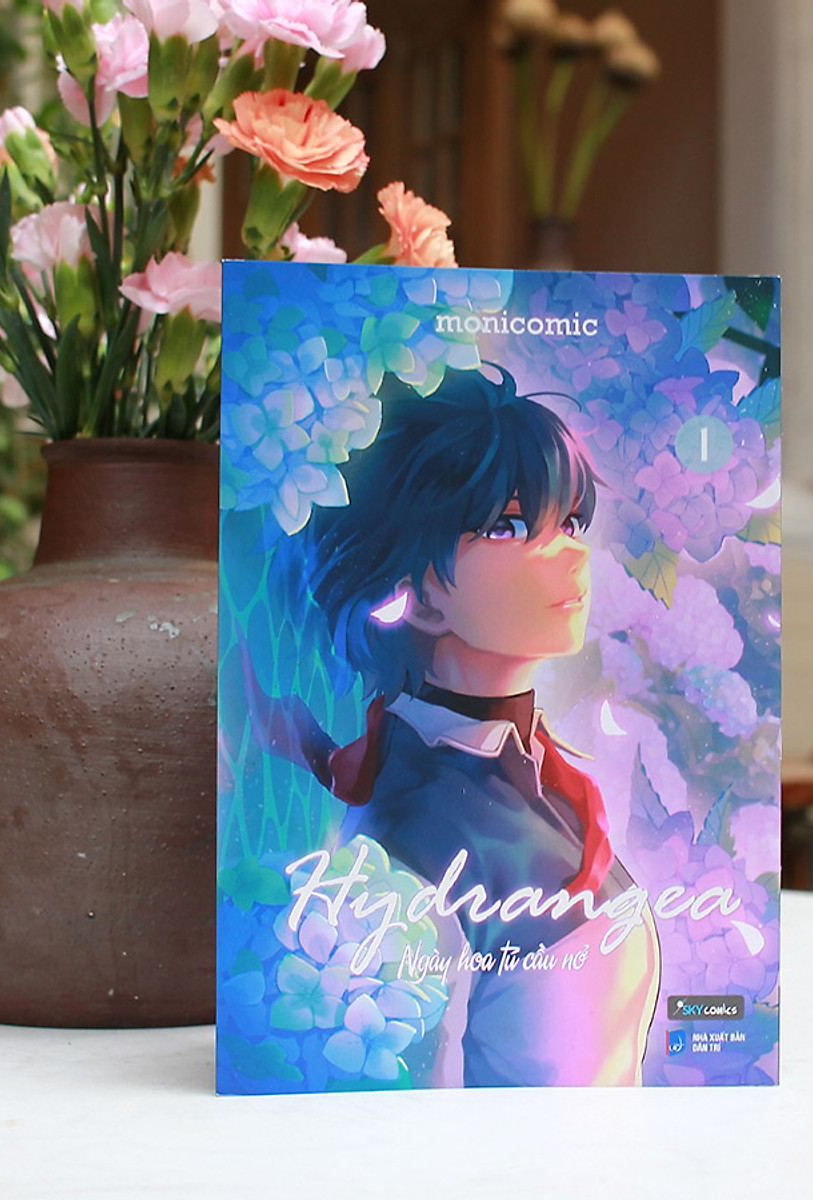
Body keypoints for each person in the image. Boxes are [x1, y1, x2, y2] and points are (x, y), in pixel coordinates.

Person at [256, 365, 660, 1086]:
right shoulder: (411, 838)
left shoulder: (527, 775)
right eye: (510, 526)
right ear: (417, 594)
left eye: (570, 522)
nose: (572, 549)